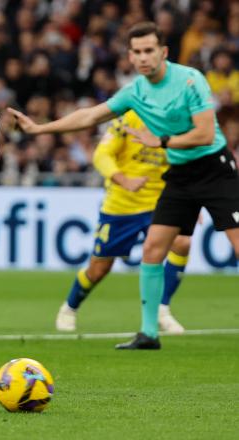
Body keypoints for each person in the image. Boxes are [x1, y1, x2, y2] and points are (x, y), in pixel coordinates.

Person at [9, 21, 239, 350]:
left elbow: (204, 133)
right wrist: (40, 129)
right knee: (153, 249)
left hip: (215, 169)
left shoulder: (190, 79)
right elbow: (89, 116)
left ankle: (157, 318)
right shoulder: (136, 92)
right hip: (179, 175)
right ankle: (149, 333)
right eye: (138, 52)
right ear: (130, 57)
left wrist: (160, 140)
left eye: (150, 50)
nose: (144, 57)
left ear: (164, 52)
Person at [55, 110, 191, 334]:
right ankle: (70, 307)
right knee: (99, 268)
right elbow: (101, 155)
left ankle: (161, 309)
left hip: (160, 203)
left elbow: (184, 163)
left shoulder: (178, 120)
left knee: (182, 242)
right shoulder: (129, 118)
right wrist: (123, 180)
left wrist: (189, 199)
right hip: (122, 205)